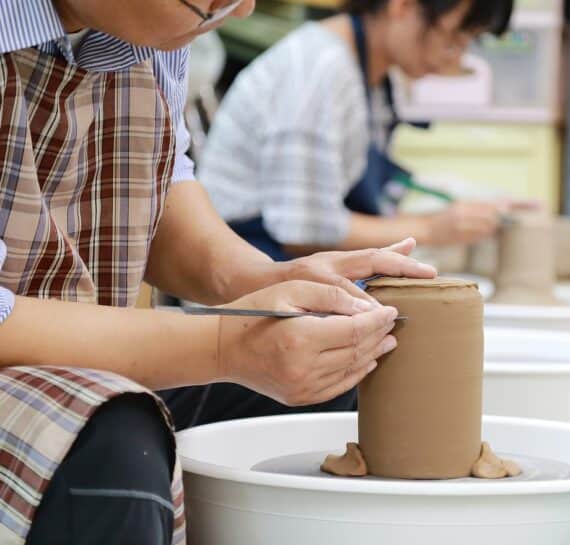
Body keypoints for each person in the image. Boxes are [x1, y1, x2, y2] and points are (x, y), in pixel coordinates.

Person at [0, 1, 437, 543]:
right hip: (35, 363)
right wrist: (228, 345)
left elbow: (152, 194)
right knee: (114, 438)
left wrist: (266, 282)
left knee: (336, 369)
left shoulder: (145, 30)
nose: (241, 9)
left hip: (85, 356)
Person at [199, 0, 515, 262]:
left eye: (467, 43)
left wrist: (473, 203)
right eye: (451, 38)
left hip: (292, 271)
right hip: (243, 275)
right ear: (402, 6)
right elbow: (303, 231)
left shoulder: (371, 73)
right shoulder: (320, 70)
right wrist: (433, 229)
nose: (455, 58)